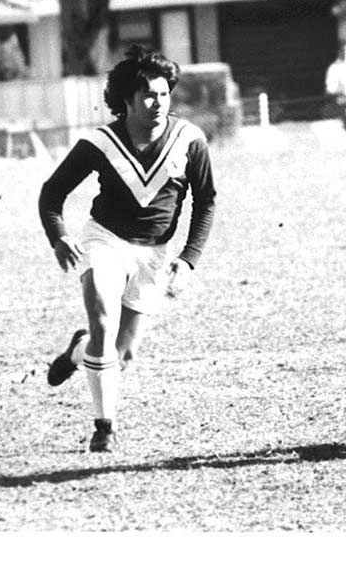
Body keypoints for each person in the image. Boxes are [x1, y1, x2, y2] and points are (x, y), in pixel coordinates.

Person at [38, 45, 217, 452]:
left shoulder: (189, 140)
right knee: (102, 320)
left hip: (154, 253)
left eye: (164, 94)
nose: (158, 103)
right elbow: (52, 193)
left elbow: (206, 201)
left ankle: (78, 350)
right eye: (148, 95)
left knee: (122, 354)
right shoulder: (100, 142)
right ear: (127, 100)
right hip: (105, 240)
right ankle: (105, 428)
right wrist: (58, 235)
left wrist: (189, 259)